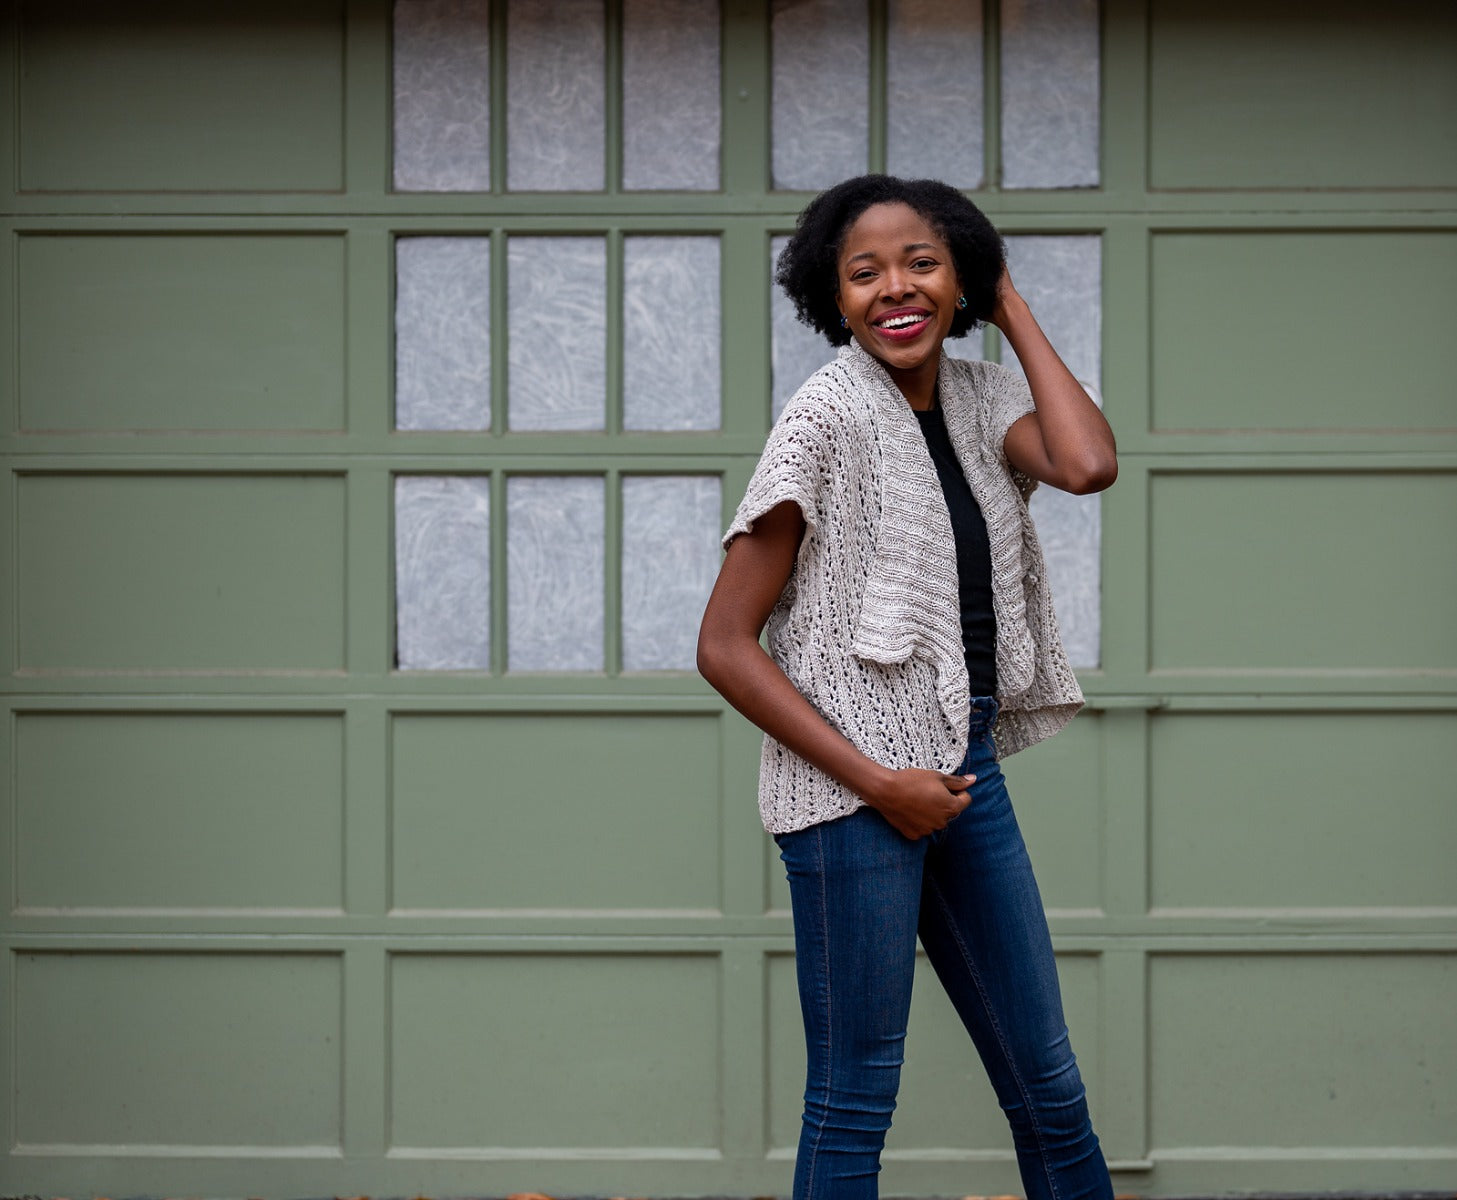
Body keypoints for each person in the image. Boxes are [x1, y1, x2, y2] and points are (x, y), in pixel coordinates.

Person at [697, 175, 1119, 1200]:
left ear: (959, 277)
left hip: (960, 772)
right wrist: (878, 781)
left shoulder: (980, 401)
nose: (895, 287)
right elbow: (723, 643)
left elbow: (1086, 462)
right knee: (852, 1100)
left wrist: (1005, 301)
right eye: (863, 271)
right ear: (829, 296)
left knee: (1047, 1084)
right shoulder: (824, 417)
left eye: (922, 263)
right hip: (850, 792)